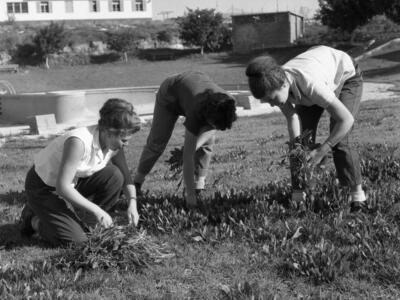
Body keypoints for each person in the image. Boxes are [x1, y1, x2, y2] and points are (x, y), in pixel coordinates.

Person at [245, 45, 367, 212]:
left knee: (340, 139)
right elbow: (292, 119)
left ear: (282, 85)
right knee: (300, 145)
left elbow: (346, 120)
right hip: (316, 73)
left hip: (346, 74)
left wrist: (323, 149)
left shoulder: (311, 84)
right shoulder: (276, 85)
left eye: (272, 99)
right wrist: (299, 152)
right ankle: (302, 195)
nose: (272, 104)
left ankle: (357, 198)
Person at [20, 98, 141, 245]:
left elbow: (126, 178)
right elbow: (62, 187)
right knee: (77, 242)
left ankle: (88, 223)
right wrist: (97, 210)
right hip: (44, 187)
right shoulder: (78, 142)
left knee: (115, 175)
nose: (126, 144)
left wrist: (132, 204)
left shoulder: (114, 145)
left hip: (72, 182)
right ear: (109, 132)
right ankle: (33, 220)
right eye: (124, 140)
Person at [133, 71, 237, 207]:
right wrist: (190, 196)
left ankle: (199, 185)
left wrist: (194, 146)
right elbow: (187, 158)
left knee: (207, 141)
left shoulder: (227, 104)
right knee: (157, 141)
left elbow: (213, 128)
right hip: (169, 95)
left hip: (195, 94)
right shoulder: (196, 111)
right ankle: (136, 183)